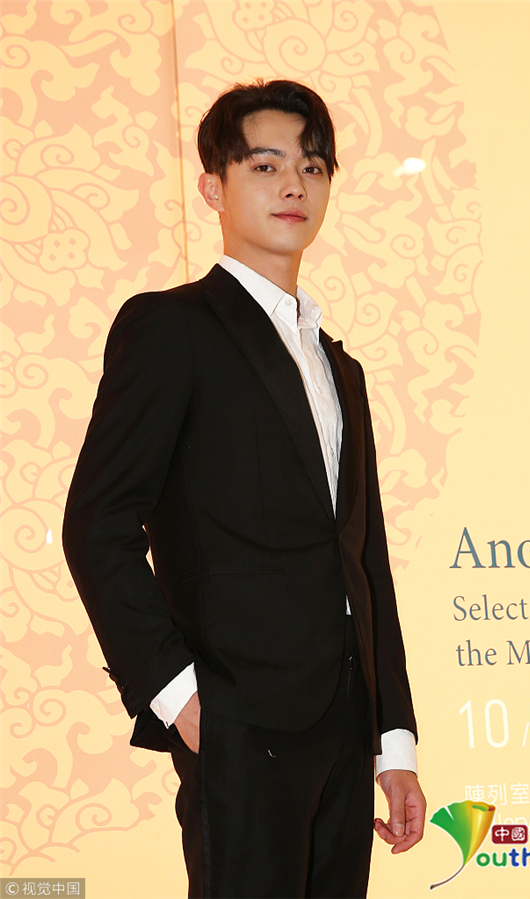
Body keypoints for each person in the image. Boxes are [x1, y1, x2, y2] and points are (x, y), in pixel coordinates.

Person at [63, 78, 425, 899]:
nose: (293, 183)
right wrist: (180, 695)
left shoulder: (340, 368)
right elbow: (96, 523)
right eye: (265, 165)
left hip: (346, 727)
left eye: (311, 165)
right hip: (239, 719)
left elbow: (363, 559)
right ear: (213, 187)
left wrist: (393, 740)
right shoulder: (172, 328)